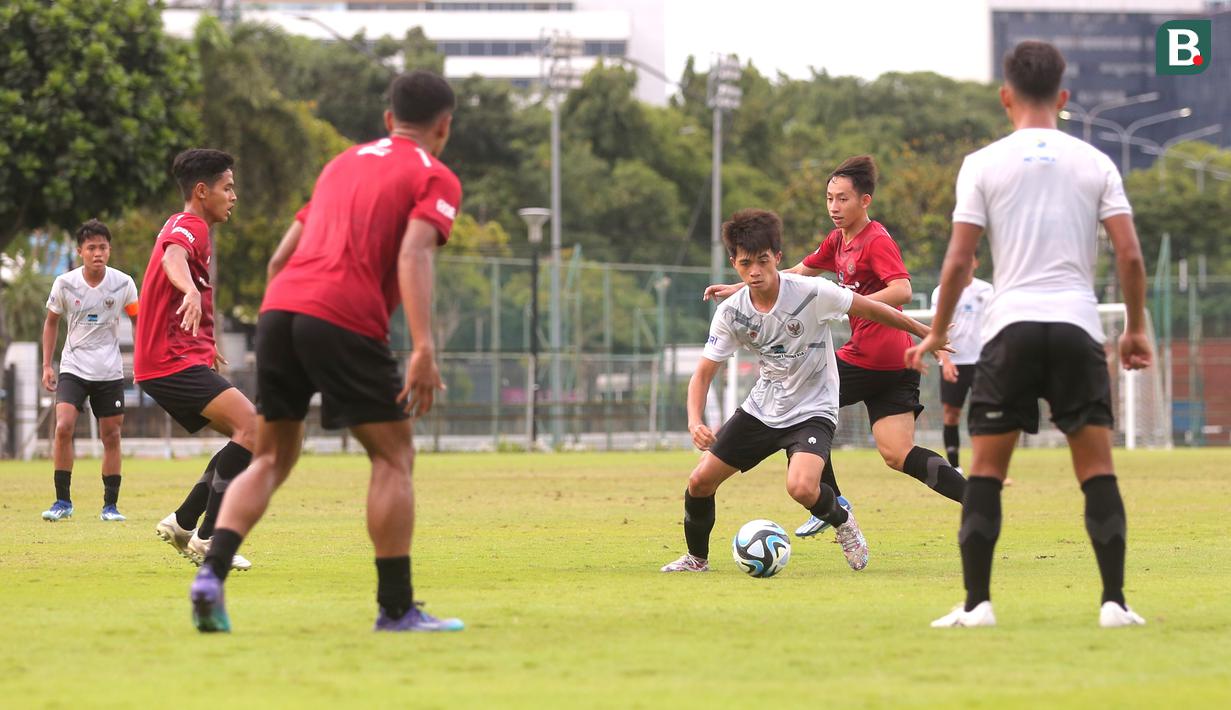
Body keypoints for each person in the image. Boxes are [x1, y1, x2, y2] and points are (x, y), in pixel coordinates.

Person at [188, 70, 464, 634]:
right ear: (445, 126)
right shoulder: (435, 174)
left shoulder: (342, 164)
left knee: (270, 457)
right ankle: (396, 609)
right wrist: (424, 348)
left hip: (281, 310)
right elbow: (414, 255)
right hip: (343, 317)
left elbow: (277, 261)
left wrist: (283, 319)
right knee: (392, 457)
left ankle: (210, 575)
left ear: (388, 119)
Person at [907, 40, 1151, 629]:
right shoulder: (1095, 162)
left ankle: (977, 605)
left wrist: (935, 333)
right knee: (1096, 468)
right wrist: (1135, 330)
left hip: (1009, 331)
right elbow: (1130, 255)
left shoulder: (983, 163)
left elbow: (960, 264)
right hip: (1075, 328)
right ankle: (1114, 604)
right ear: (1063, 98)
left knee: (987, 471)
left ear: (1005, 96)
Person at [662, 208, 948, 574]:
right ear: (733, 263)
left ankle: (842, 520)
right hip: (764, 407)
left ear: (777, 258)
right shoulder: (732, 313)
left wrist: (927, 334)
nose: (755, 271)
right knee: (700, 481)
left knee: (800, 487)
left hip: (814, 408)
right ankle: (696, 559)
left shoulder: (813, 292)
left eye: (763, 261)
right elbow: (703, 373)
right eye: (746, 263)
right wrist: (694, 420)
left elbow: (875, 310)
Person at [706, 156, 967, 541]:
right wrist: (739, 288)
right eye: (829, 197)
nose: (833, 206)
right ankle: (974, 497)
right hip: (894, 360)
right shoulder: (836, 241)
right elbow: (794, 272)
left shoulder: (875, 240)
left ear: (865, 201)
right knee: (897, 453)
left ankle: (833, 505)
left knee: (799, 405)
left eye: (842, 199)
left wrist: (849, 301)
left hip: (872, 355)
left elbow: (903, 290)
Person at [137, 148, 254, 572]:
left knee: (246, 437)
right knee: (253, 428)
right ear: (202, 191)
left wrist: (206, 343)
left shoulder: (179, 222)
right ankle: (210, 538)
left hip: (171, 360)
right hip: (169, 362)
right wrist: (188, 289)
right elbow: (174, 259)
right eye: (228, 187)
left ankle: (184, 523)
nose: (233, 196)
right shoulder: (191, 226)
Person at [39, 220, 139, 522]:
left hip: (109, 371)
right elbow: (52, 321)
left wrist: (141, 357)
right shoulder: (65, 284)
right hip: (73, 367)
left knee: (112, 435)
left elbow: (138, 319)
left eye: (103, 247)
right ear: (80, 251)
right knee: (63, 427)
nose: (98, 253)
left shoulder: (123, 284)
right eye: (92, 247)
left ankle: (110, 506)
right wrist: (47, 364)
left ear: (109, 250)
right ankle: (62, 502)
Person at [930, 258, 993, 473]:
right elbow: (936, 330)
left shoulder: (986, 290)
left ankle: (986, 466)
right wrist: (945, 361)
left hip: (982, 362)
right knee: (951, 413)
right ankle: (955, 467)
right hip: (953, 361)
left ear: (974, 262)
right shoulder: (942, 291)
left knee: (983, 413)